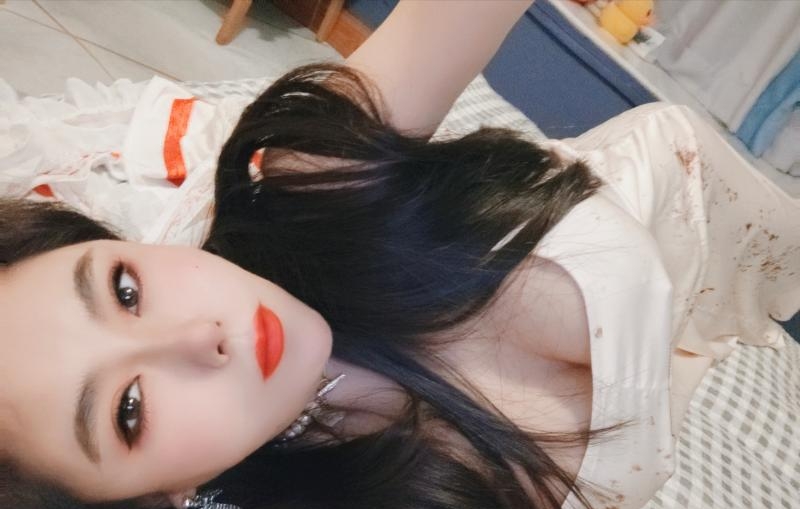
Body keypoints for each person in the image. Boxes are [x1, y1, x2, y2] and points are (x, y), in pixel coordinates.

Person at [1, 2, 799, 509]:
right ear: (158, 498)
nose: (198, 337)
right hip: (681, 358)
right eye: (128, 410)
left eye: (125, 289)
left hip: (715, 210)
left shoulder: (310, 179)